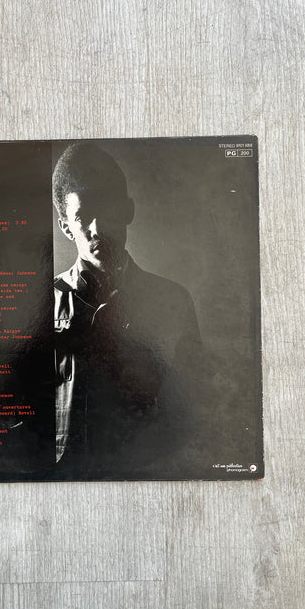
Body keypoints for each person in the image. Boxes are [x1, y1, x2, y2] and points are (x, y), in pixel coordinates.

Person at [52, 142, 212, 479]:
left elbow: (196, 409)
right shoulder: (44, 303)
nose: (98, 228)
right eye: (82, 217)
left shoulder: (172, 301)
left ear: (128, 210)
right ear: (66, 227)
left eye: (108, 210)